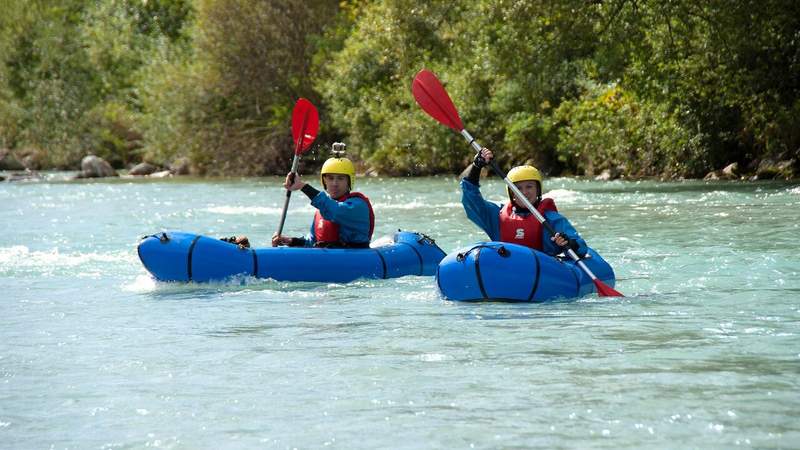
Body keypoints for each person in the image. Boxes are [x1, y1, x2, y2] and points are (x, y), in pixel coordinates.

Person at [460, 147, 588, 257]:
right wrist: (476, 168)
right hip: (507, 270)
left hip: (543, 275)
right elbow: (472, 201)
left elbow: (581, 247)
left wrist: (568, 243)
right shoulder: (496, 216)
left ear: (538, 190)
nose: (524, 192)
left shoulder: (552, 220)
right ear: (511, 193)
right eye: (518, 188)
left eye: (529, 187)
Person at [271, 143, 374, 248]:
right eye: (330, 178)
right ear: (324, 181)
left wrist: (303, 186)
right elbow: (312, 243)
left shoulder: (357, 206)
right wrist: (291, 241)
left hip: (355, 258)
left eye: (340, 178)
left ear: (349, 181)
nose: (334, 183)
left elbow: (335, 211)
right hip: (327, 259)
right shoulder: (322, 209)